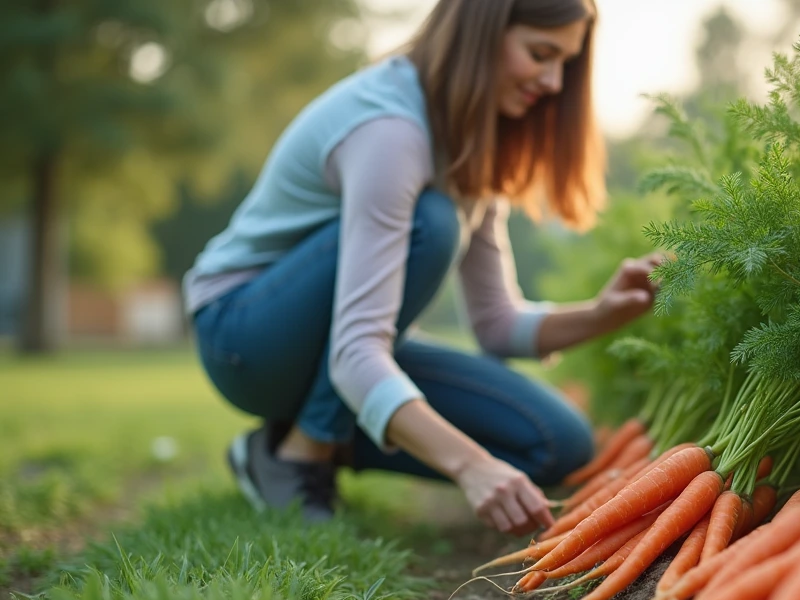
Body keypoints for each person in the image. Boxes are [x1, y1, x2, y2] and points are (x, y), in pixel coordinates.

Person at [184, 0, 659, 536]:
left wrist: (600, 315)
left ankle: (276, 445)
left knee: (557, 443)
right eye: (540, 54)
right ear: (481, 33)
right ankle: (301, 454)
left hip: (340, 346)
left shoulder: (474, 142)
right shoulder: (390, 131)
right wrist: (471, 465)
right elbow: (355, 352)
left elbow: (496, 323)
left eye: (564, 65)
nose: (553, 82)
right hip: (245, 336)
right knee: (432, 225)